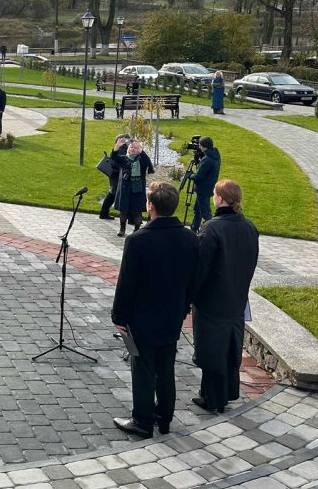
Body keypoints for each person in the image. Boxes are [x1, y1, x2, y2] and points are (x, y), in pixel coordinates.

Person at [111, 181, 199, 438]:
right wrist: (184, 307)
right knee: (166, 366)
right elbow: (194, 279)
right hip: (173, 314)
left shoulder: (138, 240)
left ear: (150, 206)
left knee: (143, 368)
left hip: (143, 317)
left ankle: (142, 421)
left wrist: (119, 315)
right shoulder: (190, 238)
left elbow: (126, 282)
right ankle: (164, 417)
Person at [191, 179, 259, 415]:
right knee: (230, 349)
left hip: (212, 300)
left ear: (220, 199)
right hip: (237, 297)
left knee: (211, 349)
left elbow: (200, 268)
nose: (213, 197)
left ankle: (212, 398)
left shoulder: (212, 228)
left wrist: (191, 295)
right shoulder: (249, 227)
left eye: (214, 194)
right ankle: (224, 394)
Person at [114, 140, 155, 237]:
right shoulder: (124, 158)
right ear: (128, 149)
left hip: (137, 190)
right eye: (131, 147)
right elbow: (114, 157)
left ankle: (137, 230)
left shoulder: (141, 159)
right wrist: (117, 147)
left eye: (136, 147)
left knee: (137, 211)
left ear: (140, 150)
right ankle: (122, 229)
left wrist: (142, 151)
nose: (133, 149)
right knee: (123, 210)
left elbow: (147, 162)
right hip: (125, 189)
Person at [190, 137, 221, 232]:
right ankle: (194, 229)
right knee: (197, 210)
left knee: (205, 213)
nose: (198, 147)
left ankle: (212, 231)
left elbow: (198, 176)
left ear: (205, 147)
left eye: (200, 145)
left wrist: (190, 175)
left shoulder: (207, 159)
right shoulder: (215, 155)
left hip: (202, 189)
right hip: (209, 187)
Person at [100, 134, 130, 220]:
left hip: (115, 175)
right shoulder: (121, 150)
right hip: (116, 175)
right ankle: (104, 213)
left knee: (113, 194)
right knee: (112, 194)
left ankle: (104, 213)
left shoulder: (121, 149)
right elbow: (116, 163)